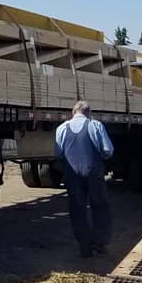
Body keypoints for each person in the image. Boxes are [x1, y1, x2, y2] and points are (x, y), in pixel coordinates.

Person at [55, 101, 114, 258]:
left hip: (72, 174)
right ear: (89, 113)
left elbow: (58, 154)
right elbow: (108, 150)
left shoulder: (61, 128)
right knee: (99, 205)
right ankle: (99, 243)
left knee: (77, 209)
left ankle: (84, 246)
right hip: (93, 172)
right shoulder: (95, 125)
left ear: (73, 113)